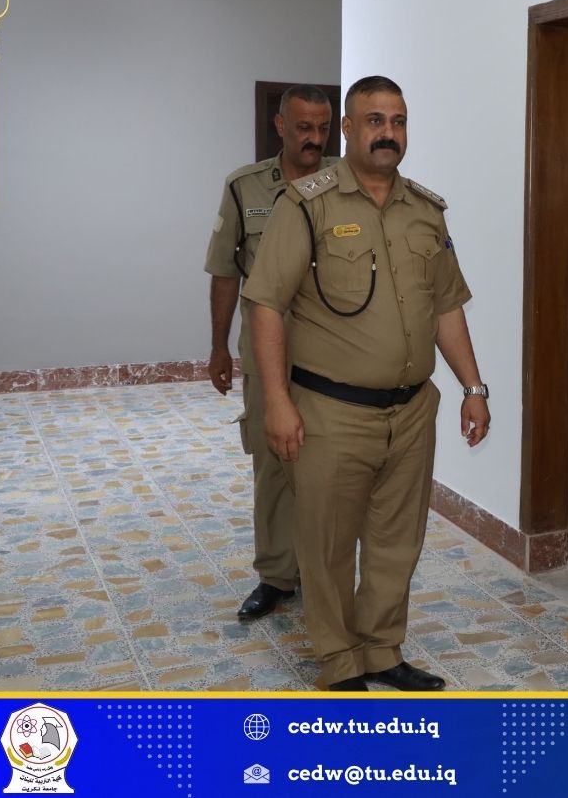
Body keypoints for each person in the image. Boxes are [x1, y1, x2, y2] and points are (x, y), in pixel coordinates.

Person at [243, 75, 490, 691]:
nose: (388, 132)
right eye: (375, 120)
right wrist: (276, 402)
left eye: (398, 121)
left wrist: (473, 387)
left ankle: (382, 651)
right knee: (326, 544)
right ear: (349, 130)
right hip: (331, 411)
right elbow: (266, 304)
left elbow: (446, 307)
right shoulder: (307, 205)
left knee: (396, 542)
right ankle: (339, 661)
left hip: (411, 412)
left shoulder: (426, 212)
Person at [204, 84, 335, 621]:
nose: (314, 139)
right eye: (303, 128)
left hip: (334, 356)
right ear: (281, 126)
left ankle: (324, 573)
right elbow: (225, 272)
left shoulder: (346, 182)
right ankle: (278, 575)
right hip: (267, 354)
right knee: (274, 465)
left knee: (331, 468)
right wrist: (218, 348)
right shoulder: (245, 187)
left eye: (323, 128)